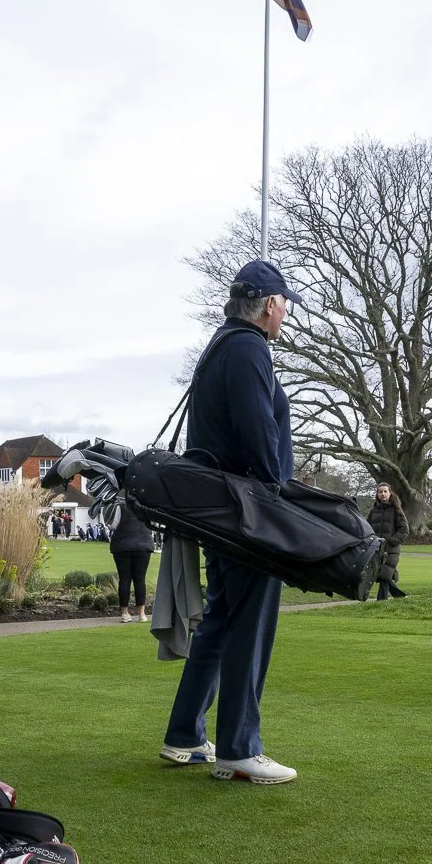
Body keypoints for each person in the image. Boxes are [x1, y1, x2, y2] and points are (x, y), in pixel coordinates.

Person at [159, 259, 300, 785]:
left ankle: (186, 735)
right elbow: (257, 431)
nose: (285, 315)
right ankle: (239, 749)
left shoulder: (223, 344)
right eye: (284, 306)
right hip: (248, 513)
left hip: (223, 509)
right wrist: (277, 497)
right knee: (249, 625)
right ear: (270, 305)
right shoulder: (247, 347)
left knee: (221, 621)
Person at [109, 495, 155, 623]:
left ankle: (124, 613)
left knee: (124, 579)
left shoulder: (120, 506)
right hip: (143, 545)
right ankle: (141, 613)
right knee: (140, 579)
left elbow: (113, 525)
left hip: (123, 545)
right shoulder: (147, 505)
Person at [366, 483, 409, 600]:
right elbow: (367, 528)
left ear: (390, 493)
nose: (383, 494)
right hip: (376, 549)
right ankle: (400, 596)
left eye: (385, 491)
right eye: (380, 492)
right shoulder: (373, 511)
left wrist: (393, 540)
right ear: (377, 494)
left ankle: (381, 601)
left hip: (391, 549)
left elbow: (404, 529)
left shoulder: (396, 510)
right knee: (382, 575)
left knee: (385, 575)